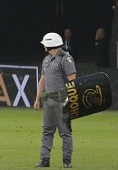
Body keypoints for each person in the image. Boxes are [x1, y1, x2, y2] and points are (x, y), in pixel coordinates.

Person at [34, 31, 77, 168]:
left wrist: (69, 99)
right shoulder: (46, 59)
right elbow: (43, 79)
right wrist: (38, 98)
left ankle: (67, 161)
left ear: (49, 44)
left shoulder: (66, 58)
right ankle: (44, 160)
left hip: (62, 98)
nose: (44, 47)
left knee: (65, 131)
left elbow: (72, 79)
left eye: (45, 44)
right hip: (48, 98)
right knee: (47, 129)